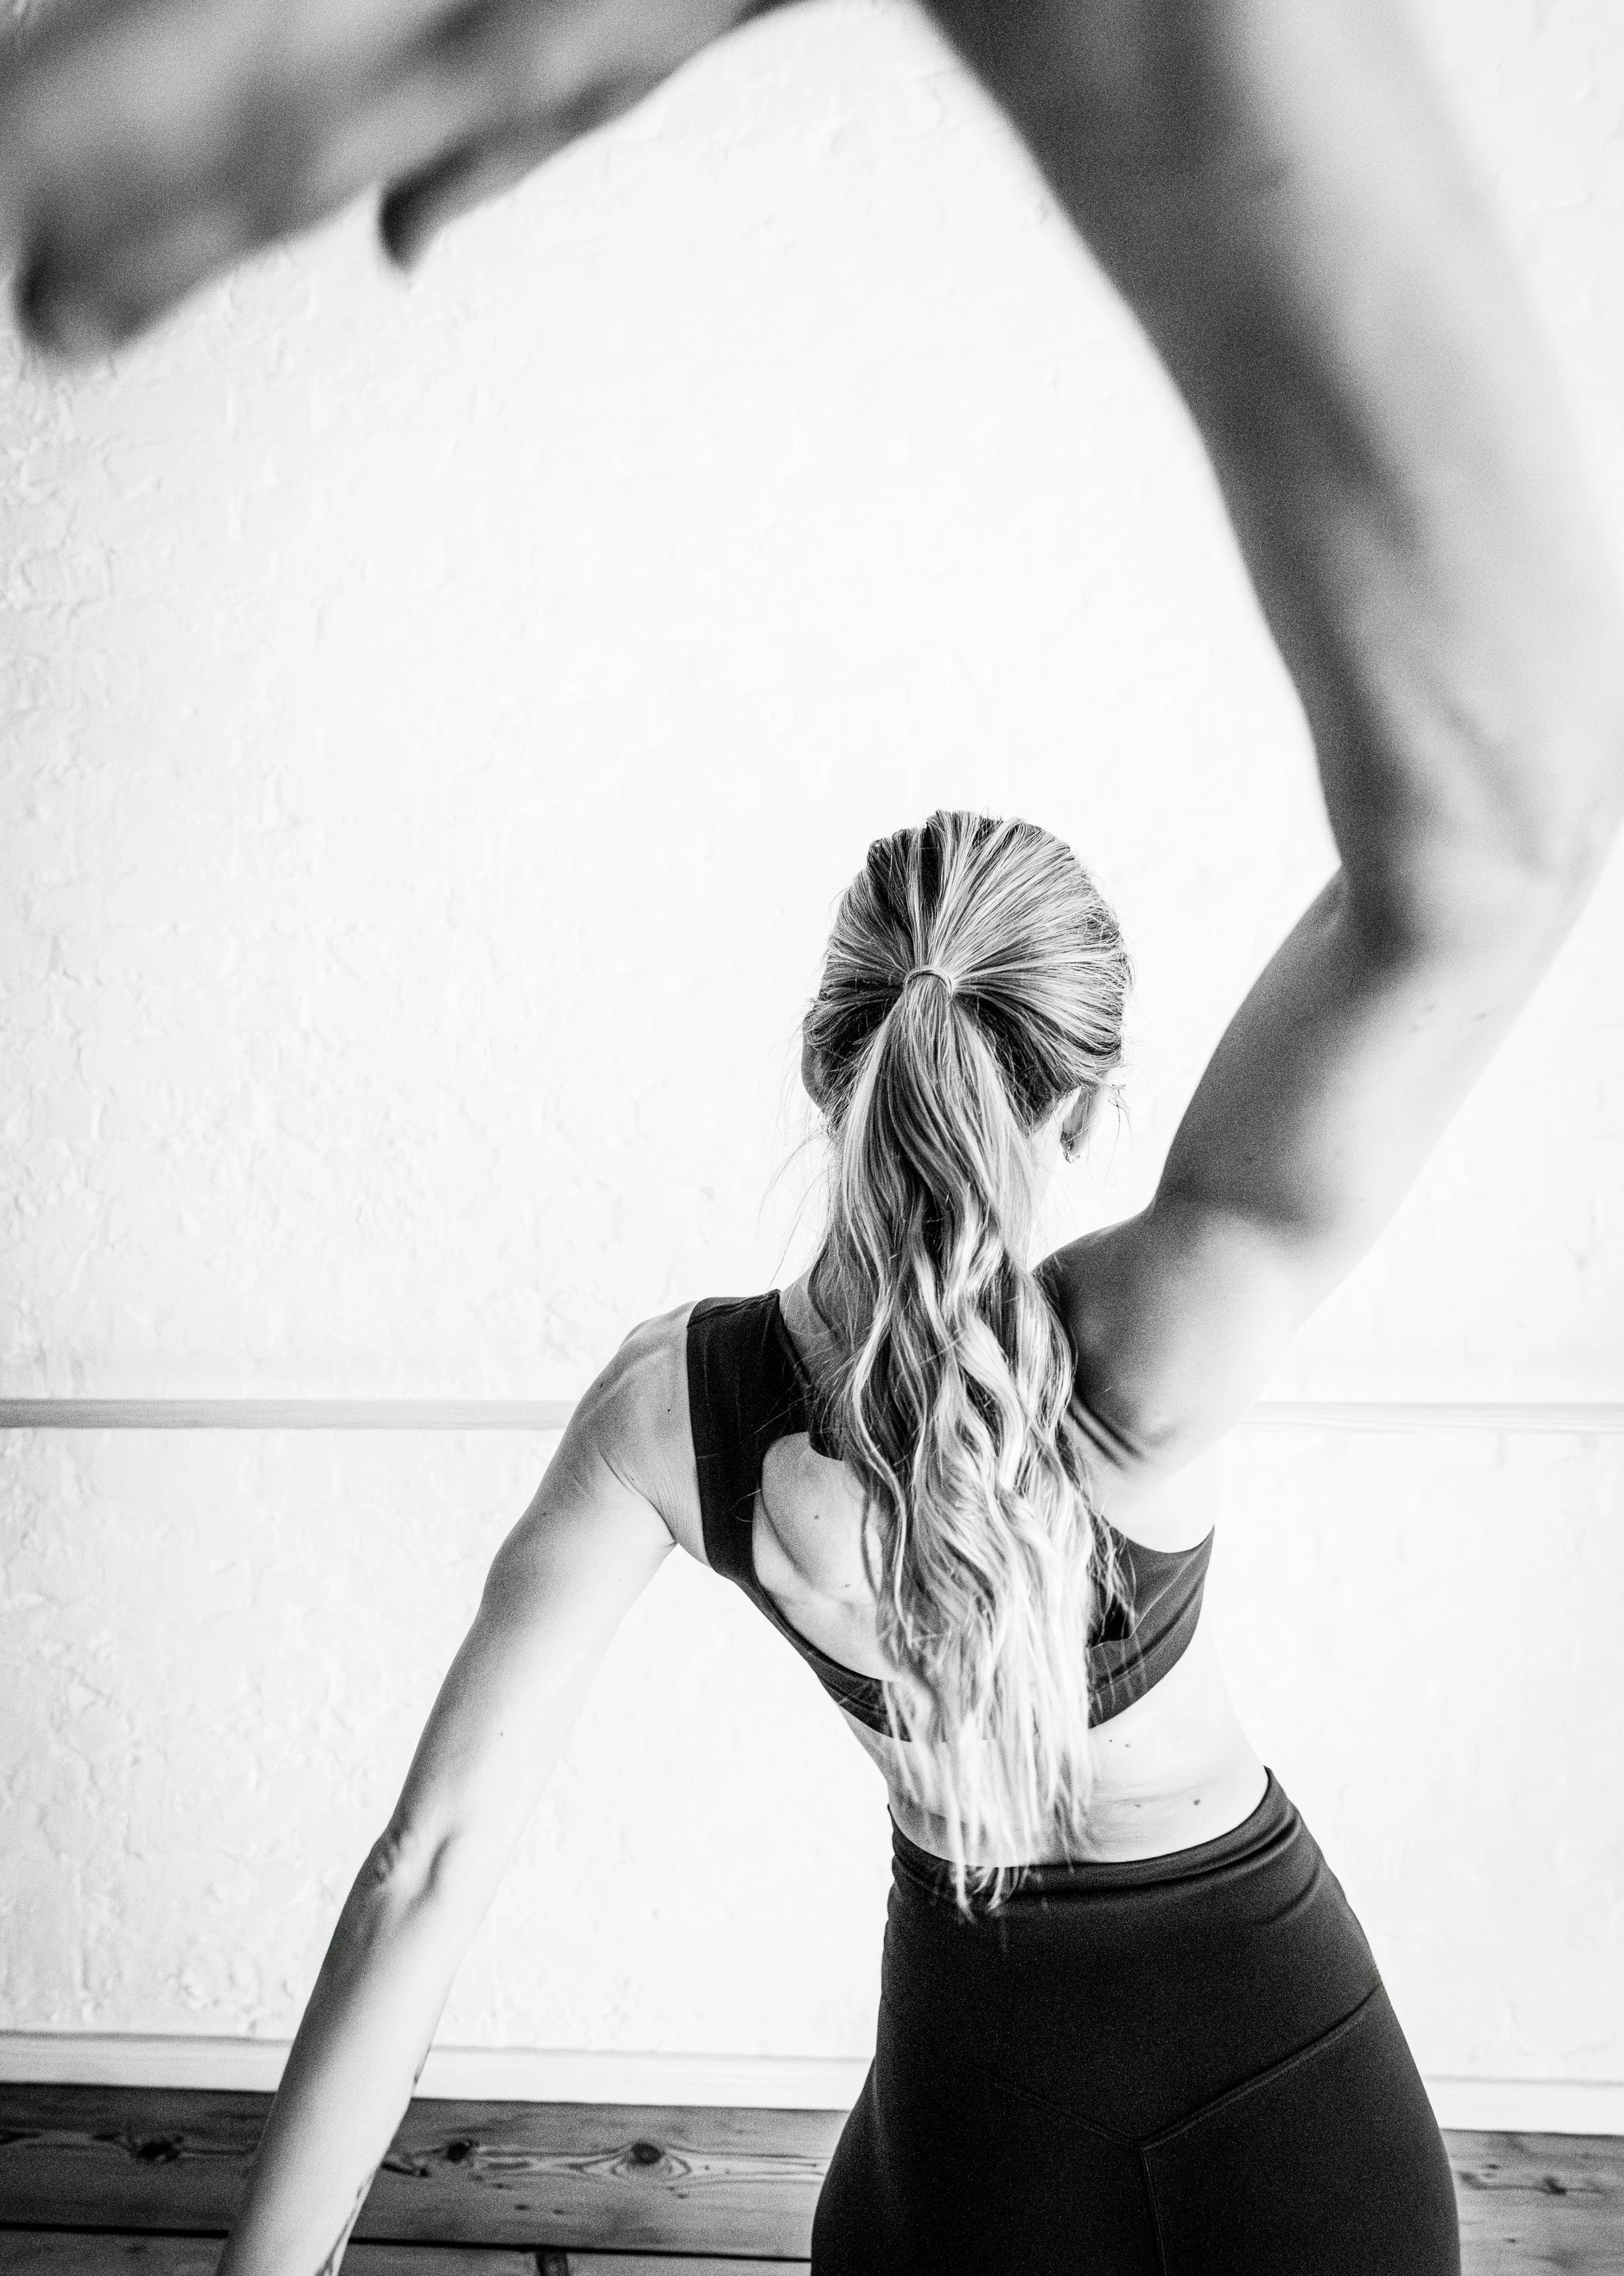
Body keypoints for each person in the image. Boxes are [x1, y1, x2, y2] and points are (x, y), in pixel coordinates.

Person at [11, 2, 1619, 2270]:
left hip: (956, 2116)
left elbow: (428, 1874)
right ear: (1088, 1094)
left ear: (818, 1059)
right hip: (1264, 2107)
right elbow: (1485, 858)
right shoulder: (1149, 1352)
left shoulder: (665, 1412)